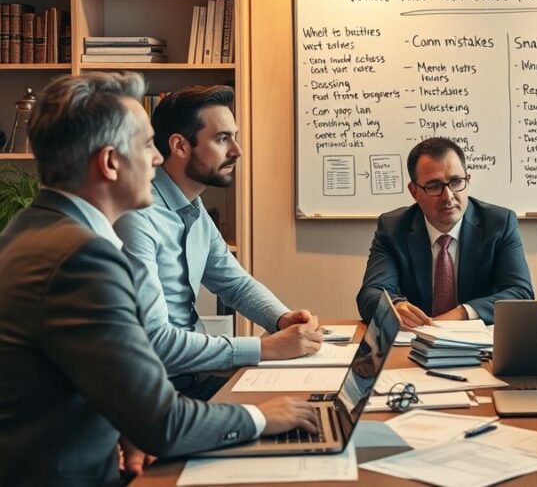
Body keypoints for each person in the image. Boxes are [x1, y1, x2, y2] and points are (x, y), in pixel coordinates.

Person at [0, 73, 315, 486]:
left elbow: (85, 370)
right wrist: (262, 416)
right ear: (111, 162)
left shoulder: (32, 230)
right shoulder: (84, 256)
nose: (157, 159)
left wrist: (127, 425)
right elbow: (165, 422)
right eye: (147, 145)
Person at [115, 85, 321, 400]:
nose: (237, 150)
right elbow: (154, 342)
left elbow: (235, 284)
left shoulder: (193, 208)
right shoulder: (137, 217)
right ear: (180, 146)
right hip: (155, 392)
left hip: (195, 377)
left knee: (313, 406)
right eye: (222, 139)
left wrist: (282, 318)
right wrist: (263, 348)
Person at [357, 137, 534, 326]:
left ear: (468, 180)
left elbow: (520, 293)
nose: (448, 196)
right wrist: (394, 305)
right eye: (434, 186)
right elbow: (371, 293)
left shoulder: (499, 224)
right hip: (415, 344)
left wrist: (462, 312)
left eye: (456, 182)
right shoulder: (393, 228)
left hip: (479, 347)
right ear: (414, 191)